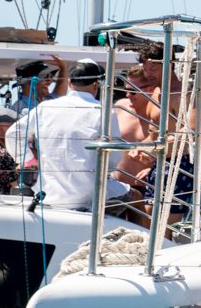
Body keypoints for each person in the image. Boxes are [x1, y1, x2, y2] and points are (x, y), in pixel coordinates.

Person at [11, 59, 146, 224]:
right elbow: (113, 158)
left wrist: (27, 160)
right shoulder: (103, 111)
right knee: (136, 197)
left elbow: (13, 133)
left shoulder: (45, 108)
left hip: (48, 192)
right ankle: (144, 243)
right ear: (96, 85)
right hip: (88, 194)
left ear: (69, 83)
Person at [0, 108, 19, 196]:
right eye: (10, 126)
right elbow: (16, 186)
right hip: (1, 204)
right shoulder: (1, 154)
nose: (15, 131)